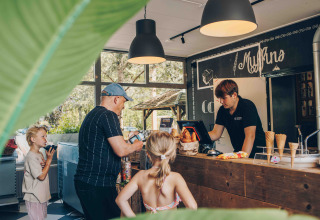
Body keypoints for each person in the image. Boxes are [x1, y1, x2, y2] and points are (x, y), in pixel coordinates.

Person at [74, 83, 143, 220]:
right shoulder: (108, 115)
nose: (123, 107)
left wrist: (128, 141)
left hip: (87, 182)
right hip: (97, 185)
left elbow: (108, 146)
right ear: (116, 99)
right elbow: (121, 151)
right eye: (124, 102)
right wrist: (136, 145)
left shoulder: (93, 114)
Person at [116, 131, 197, 217]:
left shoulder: (140, 176)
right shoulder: (175, 178)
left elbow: (120, 200)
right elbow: (192, 207)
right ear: (172, 153)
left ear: (148, 154)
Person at [208, 79, 265, 158]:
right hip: (239, 151)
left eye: (224, 98)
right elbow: (215, 134)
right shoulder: (222, 110)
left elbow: (250, 136)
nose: (221, 101)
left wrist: (242, 159)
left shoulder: (247, 106)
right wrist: (197, 135)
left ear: (234, 95)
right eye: (219, 98)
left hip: (258, 154)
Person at [22, 126, 56, 220]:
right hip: (34, 197)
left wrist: (45, 164)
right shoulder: (31, 157)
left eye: (46, 136)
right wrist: (49, 160)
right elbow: (41, 176)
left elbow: (41, 170)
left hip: (40, 195)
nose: (46, 139)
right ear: (33, 139)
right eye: (42, 136)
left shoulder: (39, 154)